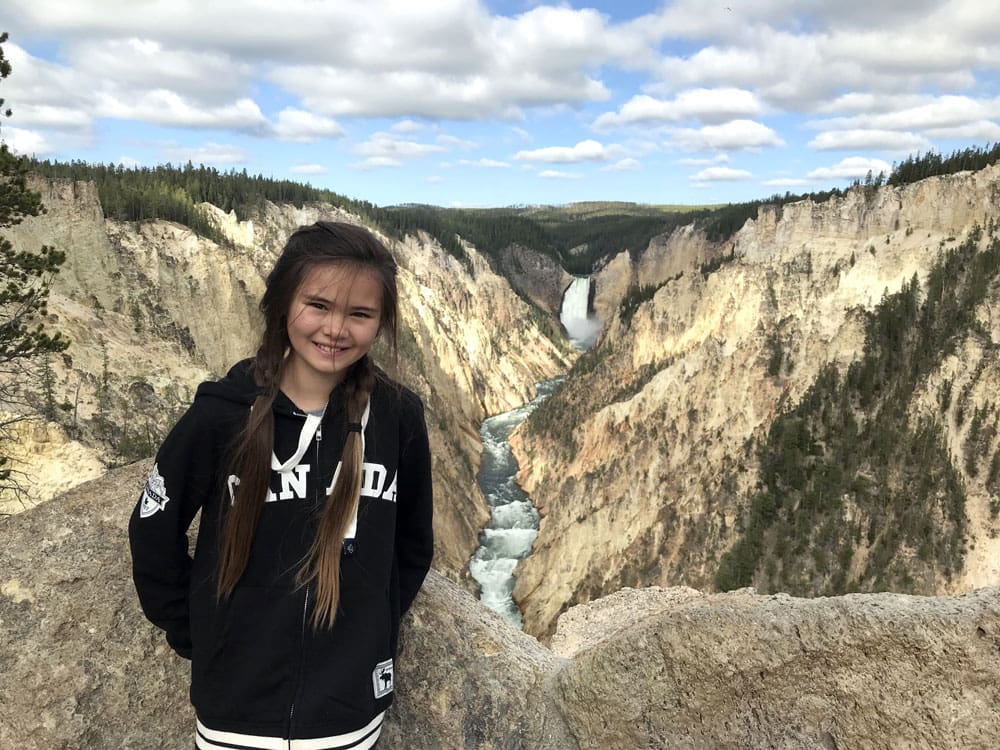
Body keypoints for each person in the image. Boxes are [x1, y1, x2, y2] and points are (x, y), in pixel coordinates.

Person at [128, 221, 434, 750]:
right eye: (318, 305)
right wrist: (200, 633)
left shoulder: (397, 417)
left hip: (350, 715)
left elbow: (413, 544)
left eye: (360, 314)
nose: (336, 329)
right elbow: (154, 533)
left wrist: (371, 635)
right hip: (233, 714)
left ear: (380, 322)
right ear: (280, 304)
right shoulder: (221, 416)